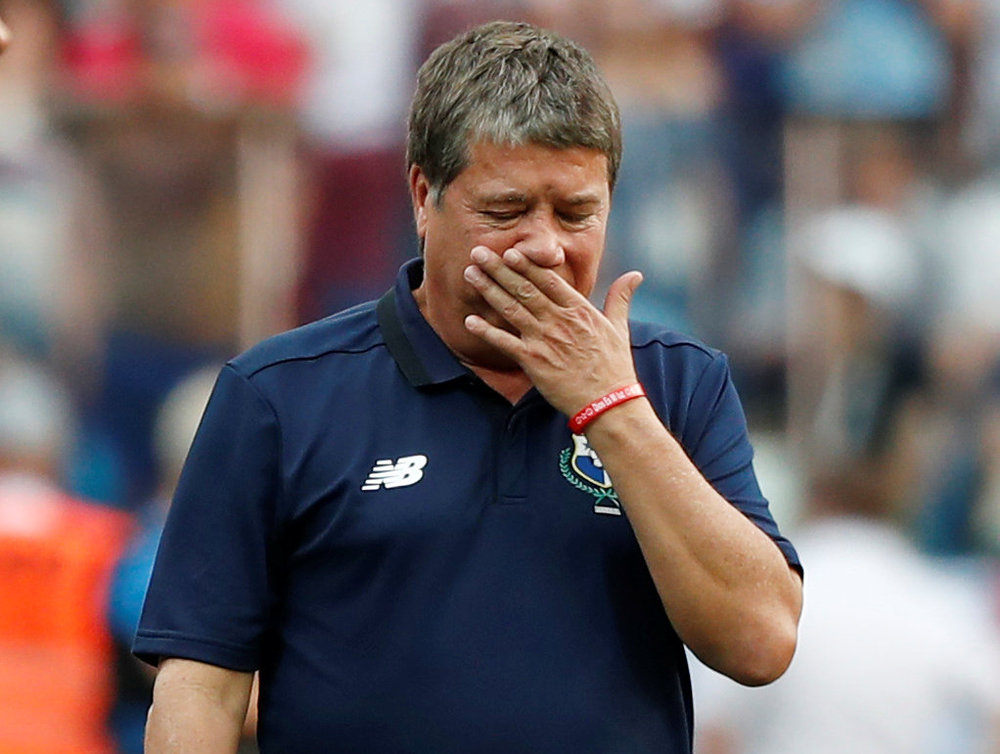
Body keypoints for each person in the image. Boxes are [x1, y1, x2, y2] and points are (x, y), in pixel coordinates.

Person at [135, 20, 803, 753]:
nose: (546, 246)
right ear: (425, 196)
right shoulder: (278, 395)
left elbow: (761, 642)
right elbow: (200, 686)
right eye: (507, 210)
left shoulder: (679, 382)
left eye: (577, 213)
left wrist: (611, 404)